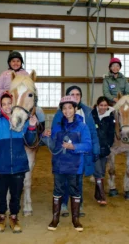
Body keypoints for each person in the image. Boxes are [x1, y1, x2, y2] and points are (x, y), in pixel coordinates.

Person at [0, 92, 38, 233]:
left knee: (16, 194)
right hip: (1, 168)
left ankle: (14, 217)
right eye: (4, 104)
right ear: (0, 106)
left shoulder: (23, 122)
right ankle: (1, 217)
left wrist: (32, 127)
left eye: (10, 103)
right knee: (1, 194)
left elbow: (30, 141)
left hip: (18, 166)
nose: (7, 107)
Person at [43, 96, 92, 232]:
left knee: (75, 191)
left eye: (70, 107)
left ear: (75, 109)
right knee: (57, 190)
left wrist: (74, 147)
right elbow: (53, 146)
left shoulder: (82, 127)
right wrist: (45, 137)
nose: (67, 111)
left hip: (75, 166)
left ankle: (75, 219)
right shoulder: (57, 127)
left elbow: (88, 146)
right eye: (64, 108)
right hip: (59, 165)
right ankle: (55, 218)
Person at [51, 85, 100, 217]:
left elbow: (92, 132)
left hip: (81, 153)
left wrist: (95, 148)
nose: (75, 96)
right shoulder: (59, 115)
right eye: (72, 94)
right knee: (65, 181)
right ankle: (64, 204)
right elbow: (54, 135)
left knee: (78, 180)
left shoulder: (87, 112)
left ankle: (79, 204)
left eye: (78, 94)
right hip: (64, 155)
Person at [0, 51, 45, 125]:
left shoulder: (25, 74)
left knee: (40, 112)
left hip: (22, 101)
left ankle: (42, 132)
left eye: (18, 61)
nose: (15, 63)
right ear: (9, 63)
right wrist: (4, 92)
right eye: (13, 61)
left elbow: (32, 88)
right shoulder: (4, 74)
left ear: (21, 63)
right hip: (7, 101)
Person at [91, 96, 115, 206]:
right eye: (101, 105)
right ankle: (102, 195)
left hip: (105, 148)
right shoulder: (91, 115)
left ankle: (97, 194)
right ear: (97, 105)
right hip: (93, 148)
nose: (103, 107)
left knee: (101, 171)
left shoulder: (110, 117)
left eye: (105, 105)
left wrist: (108, 145)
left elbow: (111, 133)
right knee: (98, 171)